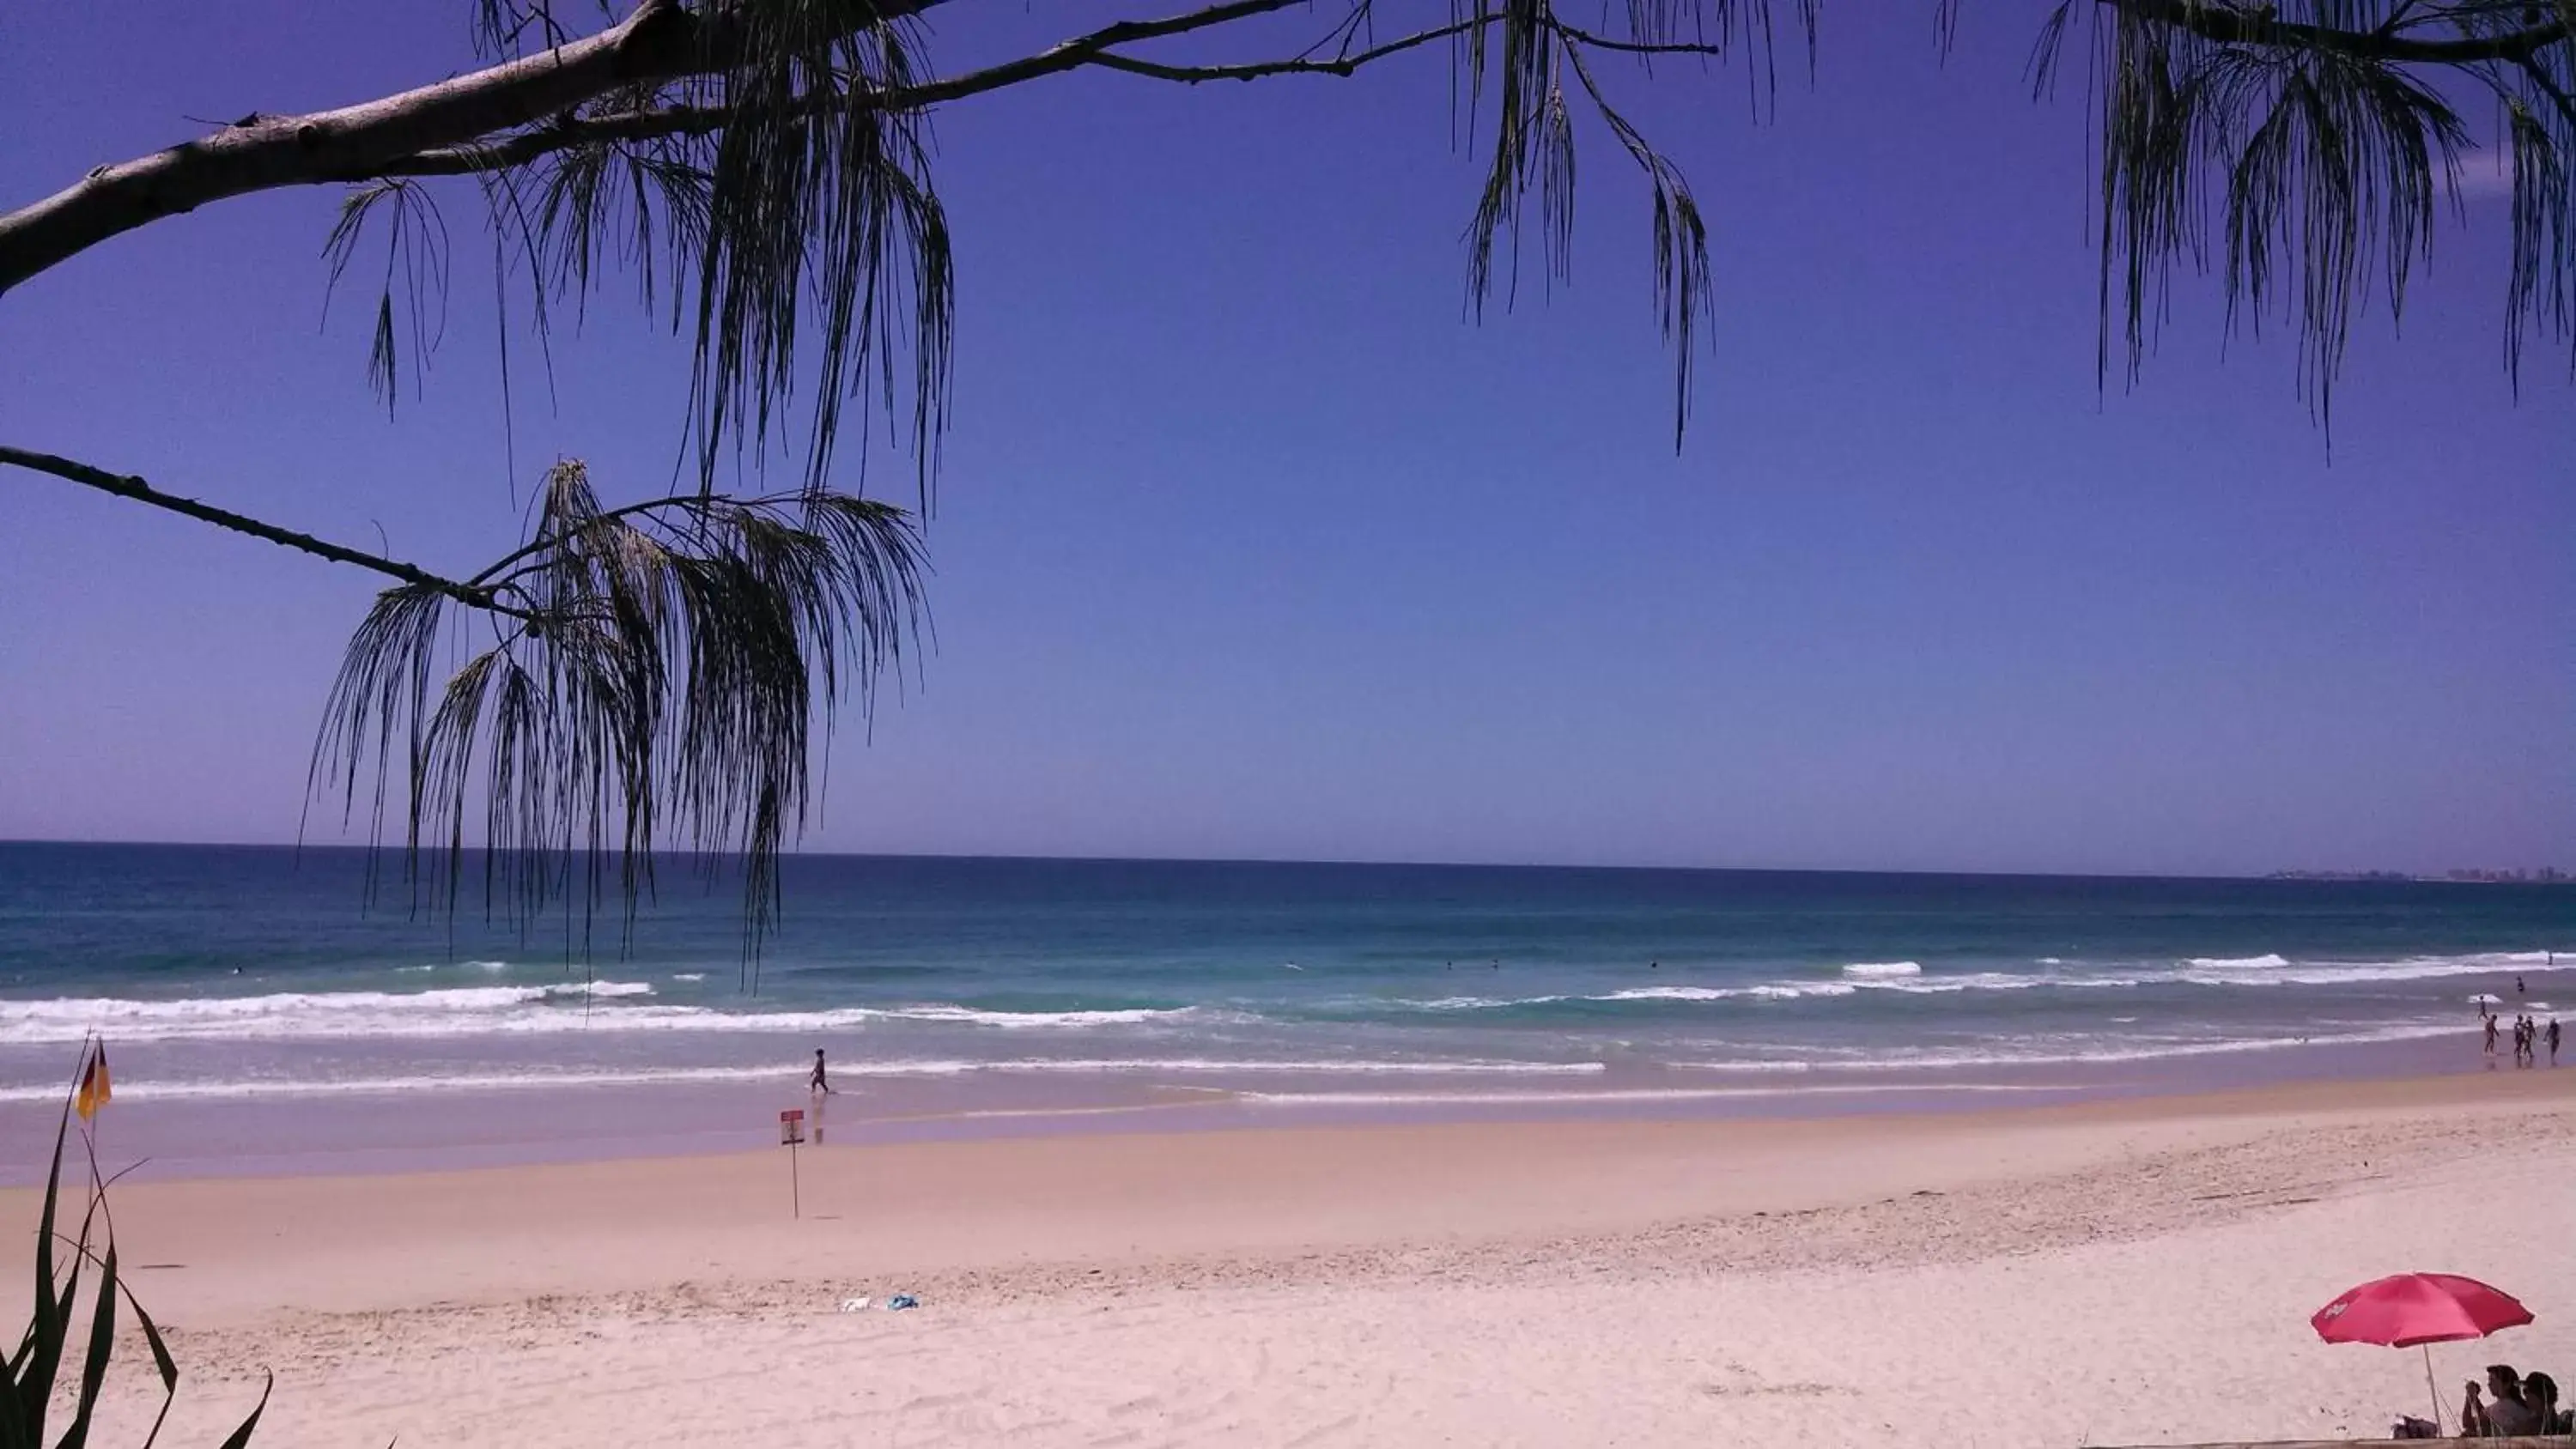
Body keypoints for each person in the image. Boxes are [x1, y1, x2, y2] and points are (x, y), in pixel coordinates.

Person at [2468, 1365, 2540, 1437]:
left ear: (2507, 1384)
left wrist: (2471, 1397)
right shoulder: (2523, 1407)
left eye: (2493, 1380)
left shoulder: (2501, 1408)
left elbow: (2470, 1423)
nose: (2489, 1384)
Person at [2520, 1372, 2562, 1436]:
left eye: (2526, 1391)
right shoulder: (2556, 1420)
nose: (2525, 1396)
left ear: (2537, 1396)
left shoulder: (2533, 1426)